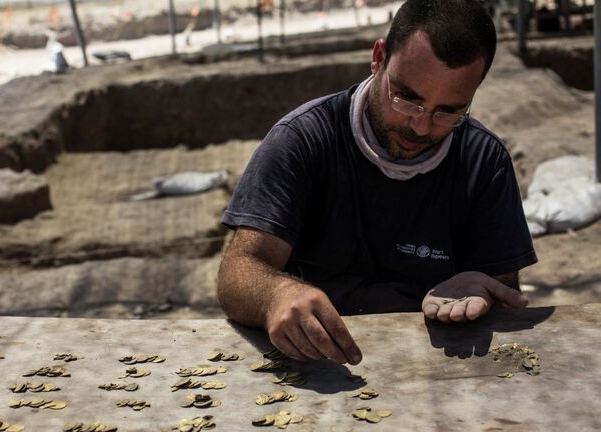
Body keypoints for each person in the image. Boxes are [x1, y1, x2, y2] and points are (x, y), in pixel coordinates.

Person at [217, 0, 537, 366]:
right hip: (316, 362)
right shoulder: (302, 140)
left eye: (448, 111)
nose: (421, 126)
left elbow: (503, 289)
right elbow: (237, 273)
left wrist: (482, 297)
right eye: (407, 98)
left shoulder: (484, 161)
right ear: (378, 58)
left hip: (435, 366)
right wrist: (275, 294)